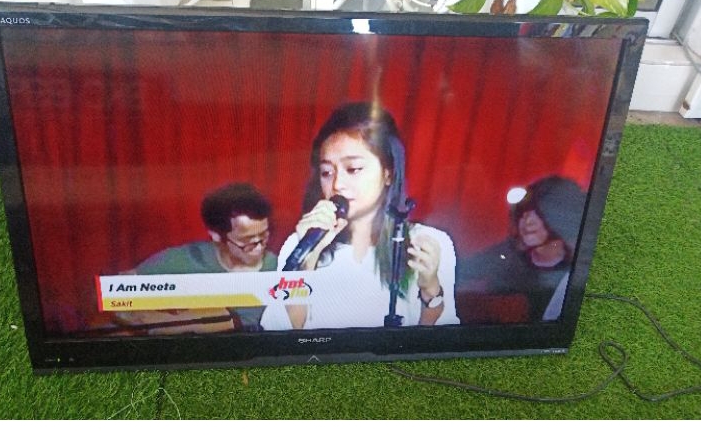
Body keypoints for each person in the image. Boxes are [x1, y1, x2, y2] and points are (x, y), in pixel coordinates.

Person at [261, 102, 459, 330]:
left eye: (353, 169)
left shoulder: (428, 243)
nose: (337, 184)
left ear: (388, 173)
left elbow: (438, 344)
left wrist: (431, 290)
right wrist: (307, 263)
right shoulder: (300, 244)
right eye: (327, 172)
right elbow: (279, 337)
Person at [117, 182, 277, 331]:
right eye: (247, 241)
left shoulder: (278, 268)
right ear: (216, 235)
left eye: (263, 235)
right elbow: (117, 291)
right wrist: (156, 322)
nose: (259, 247)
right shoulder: (184, 258)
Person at [457, 176, 586, 322]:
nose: (527, 221)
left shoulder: (578, 270)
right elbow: (460, 272)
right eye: (524, 211)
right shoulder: (506, 255)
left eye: (540, 213)